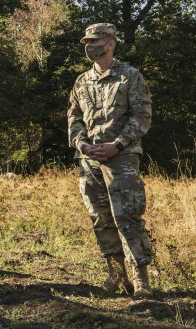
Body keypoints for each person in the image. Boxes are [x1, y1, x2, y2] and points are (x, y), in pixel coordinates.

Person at [68, 23, 153, 298]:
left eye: (95, 40)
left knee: (127, 216)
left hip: (122, 158)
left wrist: (117, 145)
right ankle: (117, 274)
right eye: (86, 41)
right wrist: (81, 144)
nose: (89, 45)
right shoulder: (82, 81)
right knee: (100, 217)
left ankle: (141, 280)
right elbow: (74, 118)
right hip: (89, 159)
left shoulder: (130, 76)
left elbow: (142, 116)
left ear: (110, 43)